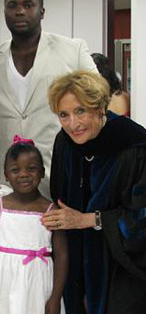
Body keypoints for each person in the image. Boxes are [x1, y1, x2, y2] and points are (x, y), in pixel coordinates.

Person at [0, 0, 97, 202]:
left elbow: (97, 101)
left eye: (28, 5)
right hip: (7, 181)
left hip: (62, 173)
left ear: (42, 12)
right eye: (12, 5)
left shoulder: (73, 50)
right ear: (4, 12)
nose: (20, 11)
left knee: (61, 236)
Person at [43, 70, 146, 314]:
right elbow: (59, 196)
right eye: (63, 115)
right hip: (78, 261)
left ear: (100, 107)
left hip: (123, 268)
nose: (73, 124)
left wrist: (88, 220)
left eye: (81, 111)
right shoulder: (65, 143)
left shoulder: (135, 145)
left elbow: (142, 219)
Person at [0, 136, 68, 314]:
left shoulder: (50, 210)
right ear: (6, 175)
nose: (23, 174)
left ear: (42, 171)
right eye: (15, 170)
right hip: (3, 282)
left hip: (37, 284)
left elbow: (62, 255)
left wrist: (55, 297)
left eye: (31, 169)